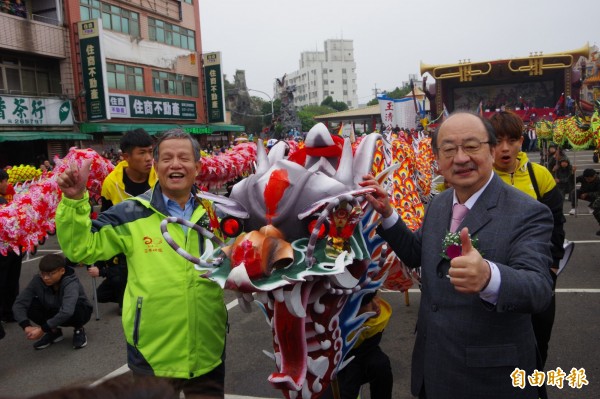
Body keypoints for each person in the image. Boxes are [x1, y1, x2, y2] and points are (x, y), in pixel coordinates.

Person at [361, 111, 554, 399]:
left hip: (488, 378)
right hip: (434, 366)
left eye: (472, 146)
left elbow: (538, 289)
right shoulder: (439, 205)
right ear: (437, 159)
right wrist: (388, 214)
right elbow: (417, 254)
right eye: (449, 149)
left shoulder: (528, 212)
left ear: (490, 150)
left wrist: (489, 276)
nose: (461, 158)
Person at [55, 129, 227, 398]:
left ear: (197, 166)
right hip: (152, 354)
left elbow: (246, 255)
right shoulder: (130, 213)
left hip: (209, 348)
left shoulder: (215, 212)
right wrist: (74, 202)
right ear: (156, 167)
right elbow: (81, 249)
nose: (175, 164)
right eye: (167, 158)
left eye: (184, 158)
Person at [489, 110, 566, 367]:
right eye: (497, 141)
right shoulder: (480, 179)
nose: (505, 148)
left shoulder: (539, 175)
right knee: (500, 346)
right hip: (496, 278)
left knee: (538, 341)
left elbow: (557, 225)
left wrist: (552, 267)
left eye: (512, 140)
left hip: (537, 275)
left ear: (522, 141)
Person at [90, 128, 157, 313]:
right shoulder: (112, 183)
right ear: (126, 156)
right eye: (141, 153)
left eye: (150, 151)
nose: (148, 158)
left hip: (158, 241)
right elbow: (105, 215)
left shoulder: (161, 176)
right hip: (127, 245)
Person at [320, 291, 393, 399]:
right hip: (334, 363)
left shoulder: (374, 315)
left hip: (364, 354)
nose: (376, 305)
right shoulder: (331, 328)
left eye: (375, 296)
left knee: (382, 367)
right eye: (366, 303)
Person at [12, 253, 92, 350]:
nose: (45, 277)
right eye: (43, 273)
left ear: (62, 271)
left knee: (76, 306)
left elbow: (67, 311)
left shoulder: (71, 282)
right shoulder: (37, 280)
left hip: (78, 312)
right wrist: (26, 326)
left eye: (51, 274)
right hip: (54, 309)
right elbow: (19, 303)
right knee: (29, 304)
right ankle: (54, 332)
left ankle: (79, 329)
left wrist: (42, 329)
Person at [0, 169, 23, 324]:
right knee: (5, 281)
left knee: (11, 280)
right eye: (5, 181)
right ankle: (6, 312)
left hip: (12, 247)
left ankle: (9, 311)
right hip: (4, 250)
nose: (7, 184)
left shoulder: (3, 200)